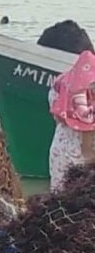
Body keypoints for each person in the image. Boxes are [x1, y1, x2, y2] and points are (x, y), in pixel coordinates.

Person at [49, 48, 95, 191]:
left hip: (58, 152)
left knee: (58, 196)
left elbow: (54, 115)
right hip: (80, 160)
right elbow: (86, 149)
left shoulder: (62, 85)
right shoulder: (86, 107)